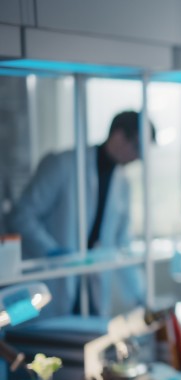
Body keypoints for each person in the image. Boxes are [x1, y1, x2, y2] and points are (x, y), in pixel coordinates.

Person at [7, 110, 151, 318]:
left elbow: (122, 244)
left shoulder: (123, 183)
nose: (138, 158)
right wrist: (50, 250)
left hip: (92, 288)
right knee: (44, 344)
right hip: (52, 281)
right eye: (138, 148)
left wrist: (142, 296)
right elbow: (21, 216)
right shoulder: (62, 164)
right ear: (119, 136)